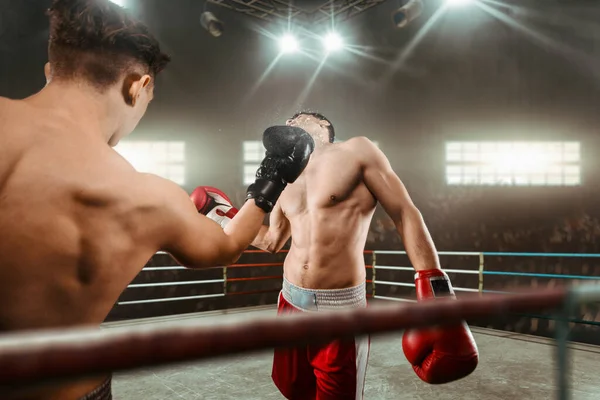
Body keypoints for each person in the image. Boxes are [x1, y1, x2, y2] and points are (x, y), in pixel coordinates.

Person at [0, 0, 313, 399]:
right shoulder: (145, 196)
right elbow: (228, 246)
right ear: (138, 86)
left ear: (50, 71)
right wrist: (274, 173)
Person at [200, 111, 479, 399]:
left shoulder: (357, 150)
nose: (290, 122)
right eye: (288, 120)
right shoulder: (285, 177)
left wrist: (435, 290)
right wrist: (224, 217)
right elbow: (272, 241)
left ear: (324, 126)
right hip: (290, 301)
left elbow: (404, 212)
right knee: (294, 389)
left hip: (339, 310)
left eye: (299, 116)